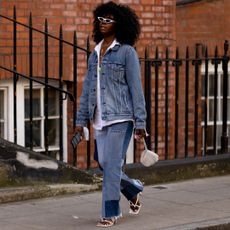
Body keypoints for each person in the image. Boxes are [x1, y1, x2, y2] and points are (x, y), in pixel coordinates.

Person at [75, 1, 147, 227]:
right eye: (101, 19)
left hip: (121, 117)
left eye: (109, 20)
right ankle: (133, 188)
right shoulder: (94, 54)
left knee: (112, 165)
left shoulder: (127, 52)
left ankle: (110, 213)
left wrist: (140, 122)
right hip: (99, 119)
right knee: (104, 163)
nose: (103, 24)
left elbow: (136, 88)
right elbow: (87, 89)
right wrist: (80, 120)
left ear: (120, 23)